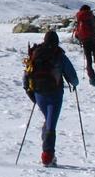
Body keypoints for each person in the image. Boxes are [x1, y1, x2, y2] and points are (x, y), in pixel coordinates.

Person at [23, 30, 79, 167]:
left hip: (38, 94)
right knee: (51, 125)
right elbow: (73, 78)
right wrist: (74, 83)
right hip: (55, 94)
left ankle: (47, 149)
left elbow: (26, 77)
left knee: (48, 122)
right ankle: (47, 157)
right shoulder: (59, 55)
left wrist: (30, 92)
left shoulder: (36, 53)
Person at [73, 4, 95, 85]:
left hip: (85, 41)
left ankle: (92, 78)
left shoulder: (79, 19)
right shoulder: (93, 18)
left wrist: (81, 40)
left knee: (89, 61)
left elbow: (76, 34)